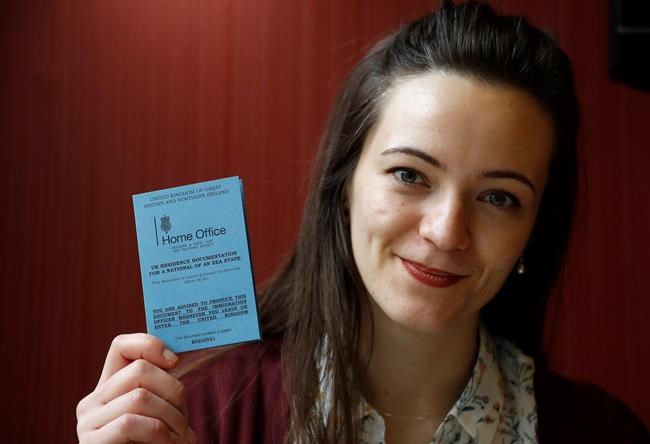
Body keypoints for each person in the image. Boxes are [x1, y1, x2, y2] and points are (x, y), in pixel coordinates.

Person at [76, 1, 649, 443]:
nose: (446, 231)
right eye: (410, 175)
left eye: (499, 197)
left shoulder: (604, 433)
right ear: (345, 185)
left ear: (534, 226)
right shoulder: (202, 412)